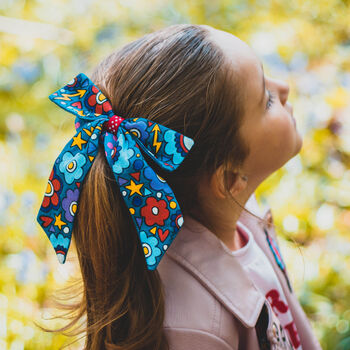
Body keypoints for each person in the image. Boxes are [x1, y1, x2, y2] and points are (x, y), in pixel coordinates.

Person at [36, 24, 323, 349]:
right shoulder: (195, 331)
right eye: (266, 100)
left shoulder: (239, 214)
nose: (283, 87)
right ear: (229, 179)